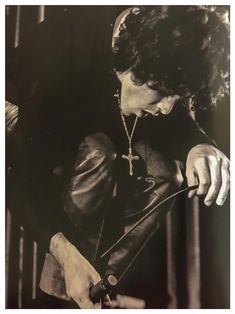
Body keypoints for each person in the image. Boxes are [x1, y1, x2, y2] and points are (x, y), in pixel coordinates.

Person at [7, 5, 230, 309]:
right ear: (130, 68)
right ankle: (58, 298)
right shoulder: (63, 51)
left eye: (177, 98)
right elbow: (22, 179)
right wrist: (66, 254)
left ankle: (93, 289)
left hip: (93, 114)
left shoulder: (153, 55)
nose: (166, 108)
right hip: (27, 113)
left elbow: (172, 116)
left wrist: (200, 146)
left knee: (167, 173)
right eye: (160, 93)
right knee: (99, 154)